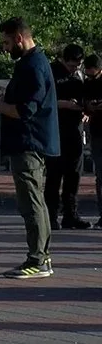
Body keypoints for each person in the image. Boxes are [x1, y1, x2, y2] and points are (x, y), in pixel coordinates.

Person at [0, 17, 57, 279]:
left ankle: (38, 258)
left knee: (31, 202)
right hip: (28, 142)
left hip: (29, 143)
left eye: (6, 42)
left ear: (19, 38)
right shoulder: (31, 63)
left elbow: (24, 111)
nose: (4, 48)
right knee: (35, 201)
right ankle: (40, 256)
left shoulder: (33, 66)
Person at [45, 45, 90, 230]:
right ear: (63, 59)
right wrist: (63, 104)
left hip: (75, 129)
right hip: (57, 130)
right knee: (54, 175)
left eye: (77, 66)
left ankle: (71, 215)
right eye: (72, 65)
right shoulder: (51, 72)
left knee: (74, 175)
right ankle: (51, 216)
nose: (74, 69)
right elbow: (43, 100)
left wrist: (86, 109)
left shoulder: (79, 75)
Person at [82, 53, 102, 230]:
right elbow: (85, 102)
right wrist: (89, 106)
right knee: (100, 176)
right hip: (97, 131)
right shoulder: (88, 83)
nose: (89, 77)